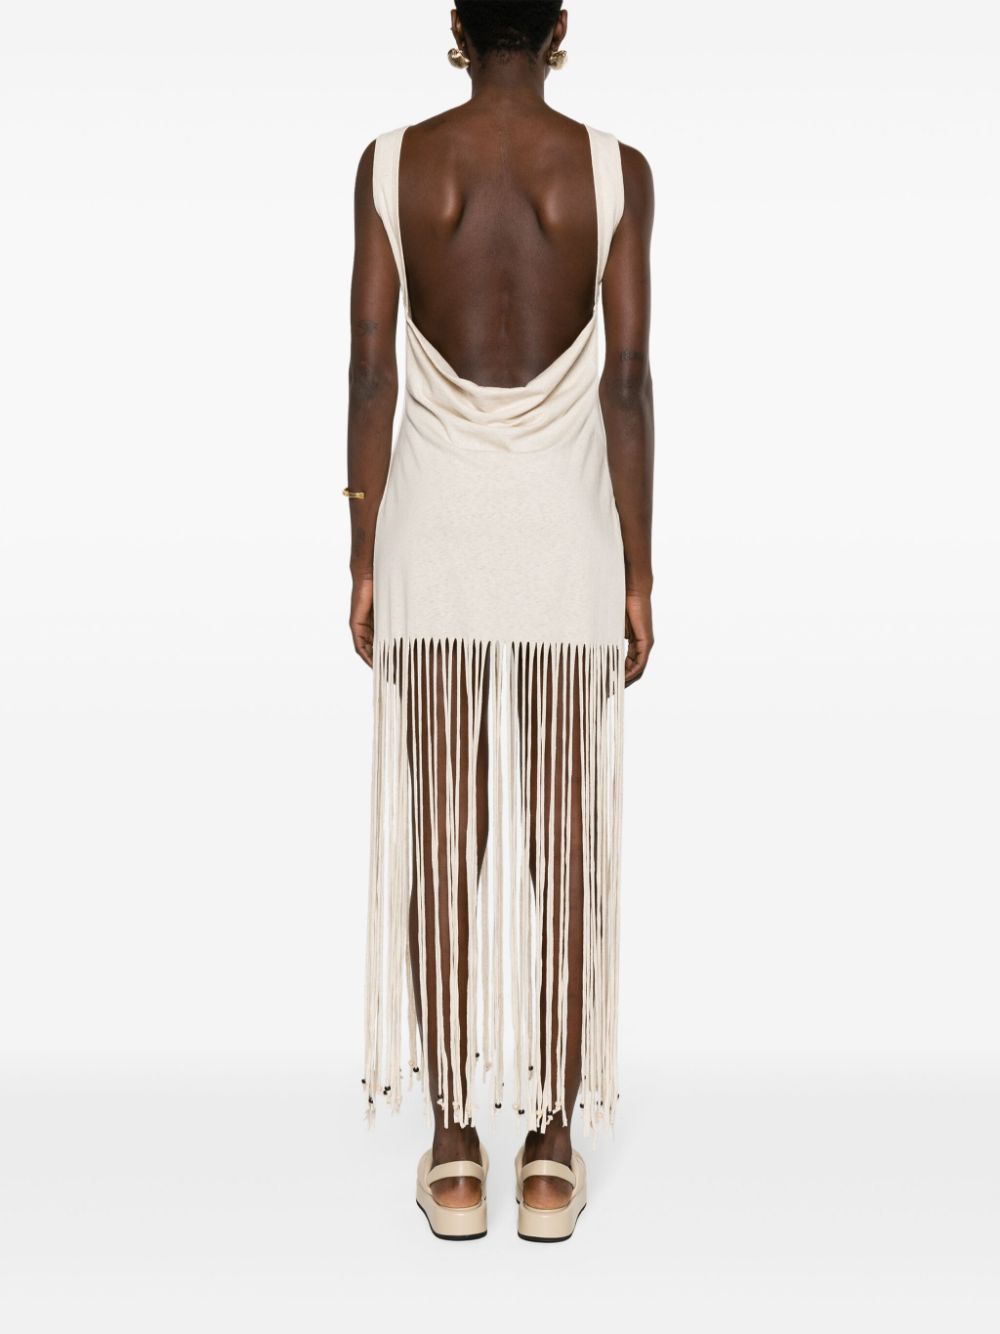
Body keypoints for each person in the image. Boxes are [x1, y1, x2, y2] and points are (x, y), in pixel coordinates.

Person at [345, 1, 654, 1242]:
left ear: (458, 26)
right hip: (566, 528)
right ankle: (555, 1151)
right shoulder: (614, 174)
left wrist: (359, 549)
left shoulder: (391, 166)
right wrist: (639, 570)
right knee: (562, 834)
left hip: (432, 529)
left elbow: (371, 368)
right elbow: (625, 381)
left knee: (447, 827)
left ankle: (452, 1146)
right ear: (561, 26)